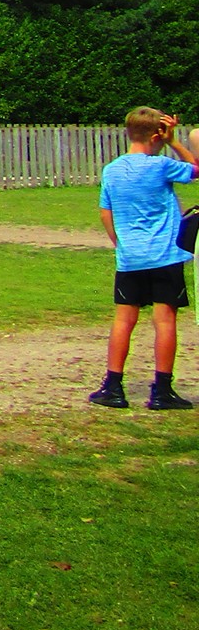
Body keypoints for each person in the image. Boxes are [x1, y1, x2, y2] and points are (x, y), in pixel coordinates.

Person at [88, 106, 195, 410]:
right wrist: (175, 142)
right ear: (156, 135)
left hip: (130, 256)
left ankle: (113, 386)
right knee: (164, 320)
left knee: (124, 319)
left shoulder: (112, 170)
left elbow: (105, 212)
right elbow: (197, 168)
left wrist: (119, 243)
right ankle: (161, 390)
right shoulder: (161, 166)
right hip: (164, 255)